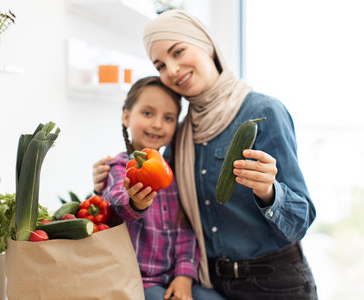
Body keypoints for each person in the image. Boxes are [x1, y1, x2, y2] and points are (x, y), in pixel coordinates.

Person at [94, 9, 318, 299]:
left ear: (207, 44)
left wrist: (269, 191)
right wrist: (106, 177)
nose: (172, 70)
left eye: (178, 51)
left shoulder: (263, 112)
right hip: (213, 285)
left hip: (276, 285)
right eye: (160, 64)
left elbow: (301, 221)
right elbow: (169, 210)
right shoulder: (182, 133)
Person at [101, 76, 226, 300]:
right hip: (138, 280)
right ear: (127, 116)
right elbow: (115, 202)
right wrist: (135, 202)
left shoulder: (172, 174)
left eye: (168, 118)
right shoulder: (118, 167)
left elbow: (185, 231)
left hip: (173, 277)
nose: (158, 124)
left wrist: (185, 276)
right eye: (148, 113)